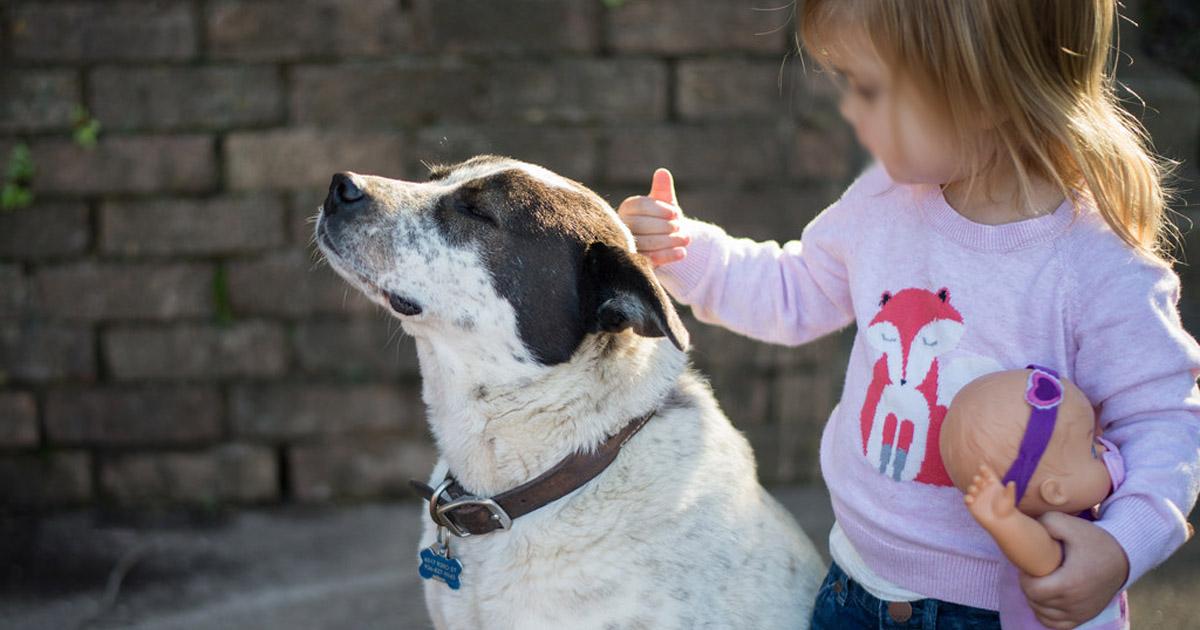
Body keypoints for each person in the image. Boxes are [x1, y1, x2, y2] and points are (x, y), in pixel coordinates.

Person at [616, 1, 1200, 628]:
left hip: (1009, 608)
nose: (849, 109)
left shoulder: (1097, 266)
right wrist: (687, 251)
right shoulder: (884, 202)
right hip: (856, 586)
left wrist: (1121, 545)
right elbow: (797, 286)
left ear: (983, 92)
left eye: (869, 88)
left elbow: (1164, 424)